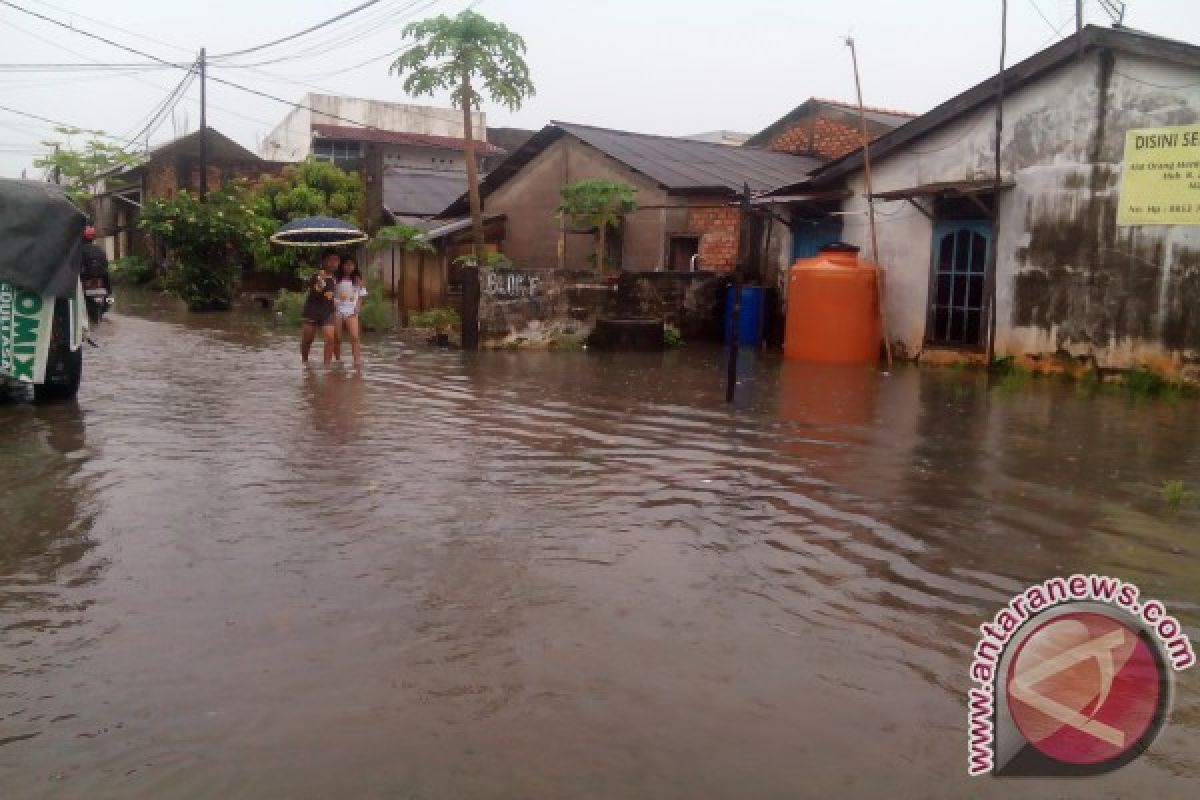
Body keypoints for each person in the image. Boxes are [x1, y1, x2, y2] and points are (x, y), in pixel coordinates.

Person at [300, 250, 340, 365]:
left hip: (327, 311)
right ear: (324, 262)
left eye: (336, 260)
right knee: (307, 340)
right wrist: (321, 280)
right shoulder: (316, 276)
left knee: (330, 338)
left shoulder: (335, 277)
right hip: (312, 310)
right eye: (330, 260)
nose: (333, 263)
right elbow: (316, 292)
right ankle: (305, 363)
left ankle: (327, 366)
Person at [333, 254, 367, 368]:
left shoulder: (357, 279)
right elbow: (330, 294)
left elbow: (361, 295)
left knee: (355, 336)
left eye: (352, 264)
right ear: (342, 265)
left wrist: (357, 308)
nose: (349, 267)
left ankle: (357, 360)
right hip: (337, 310)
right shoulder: (335, 279)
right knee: (337, 337)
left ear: (355, 266)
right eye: (347, 264)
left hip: (351, 311)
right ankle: (338, 360)